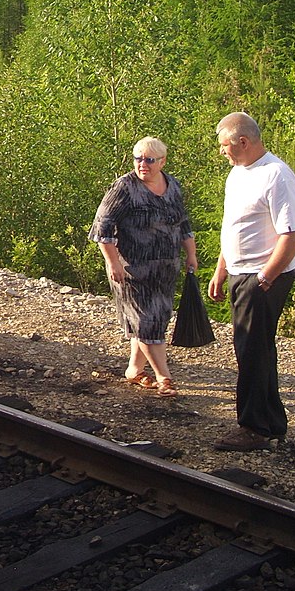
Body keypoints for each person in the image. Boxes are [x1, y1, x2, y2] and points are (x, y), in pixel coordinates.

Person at [208, 112, 295, 452]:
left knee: (250, 348)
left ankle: (252, 428)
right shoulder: (237, 174)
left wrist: (265, 277)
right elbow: (233, 225)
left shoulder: (276, 175)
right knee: (256, 347)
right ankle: (271, 423)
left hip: (263, 274)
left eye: (224, 146)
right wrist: (222, 267)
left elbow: (293, 232)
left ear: (243, 142)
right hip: (241, 271)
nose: (222, 152)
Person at [90, 137, 198, 398]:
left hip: (165, 267)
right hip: (132, 269)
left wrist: (191, 254)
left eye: (149, 160)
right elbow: (102, 227)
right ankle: (165, 377)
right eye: (138, 158)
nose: (143, 164)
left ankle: (134, 369)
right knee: (146, 321)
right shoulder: (124, 188)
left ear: (162, 161)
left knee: (157, 319)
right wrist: (112, 261)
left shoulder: (172, 186)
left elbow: (182, 223)